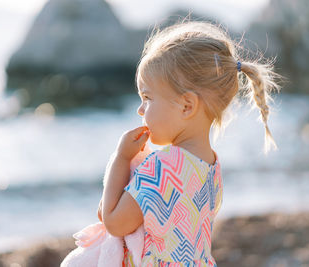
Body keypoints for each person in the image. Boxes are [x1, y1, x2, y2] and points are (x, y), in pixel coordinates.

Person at [99, 19, 281, 266]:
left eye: (147, 98)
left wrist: (121, 158)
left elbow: (112, 220)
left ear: (187, 105)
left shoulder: (161, 166)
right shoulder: (211, 166)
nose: (141, 110)